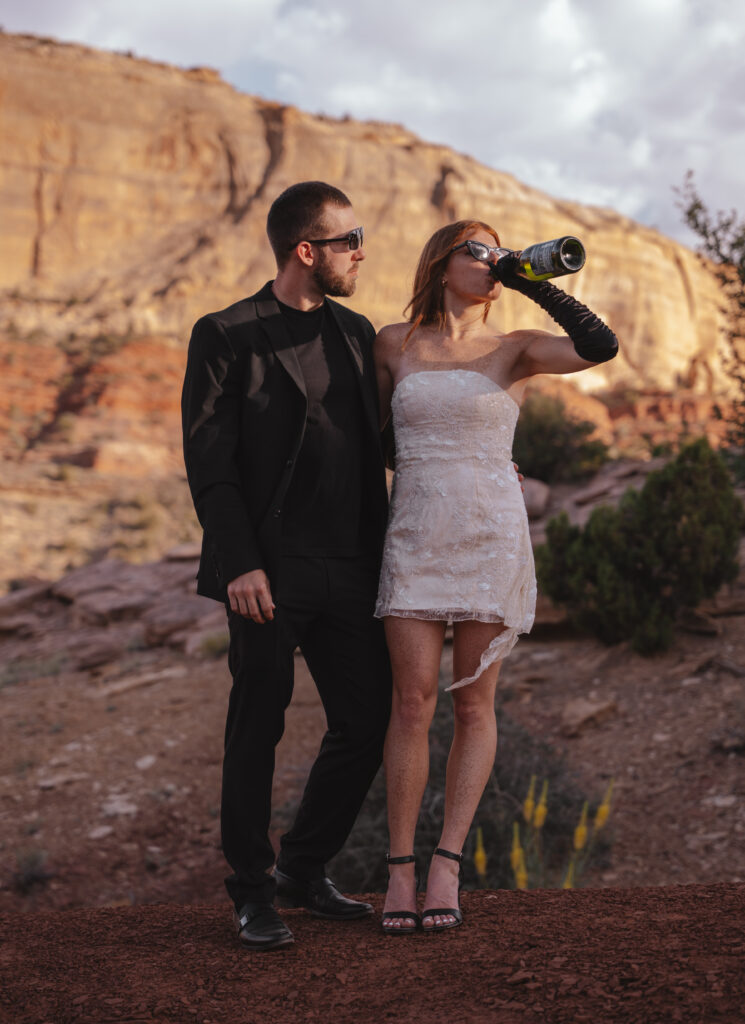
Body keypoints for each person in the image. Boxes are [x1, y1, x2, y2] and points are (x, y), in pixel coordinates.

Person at [373, 220, 618, 934]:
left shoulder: (515, 349)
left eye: (496, 250)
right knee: (412, 705)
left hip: (489, 534)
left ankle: (446, 862)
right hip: (416, 531)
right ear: (440, 261)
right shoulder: (392, 342)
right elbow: (367, 433)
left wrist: (527, 280)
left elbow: (598, 347)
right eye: (475, 250)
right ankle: (397, 869)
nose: (488, 259)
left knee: (474, 707)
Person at [181, 182, 392, 951]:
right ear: (308, 250)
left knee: (367, 721)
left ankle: (302, 869)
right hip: (267, 573)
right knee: (256, 725)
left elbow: (381, 442)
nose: (360, 251)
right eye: (349, 240)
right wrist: (239, 563)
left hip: (353, 564)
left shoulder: (357, 331)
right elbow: (209, 461)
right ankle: (250, 889)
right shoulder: (227, 333)